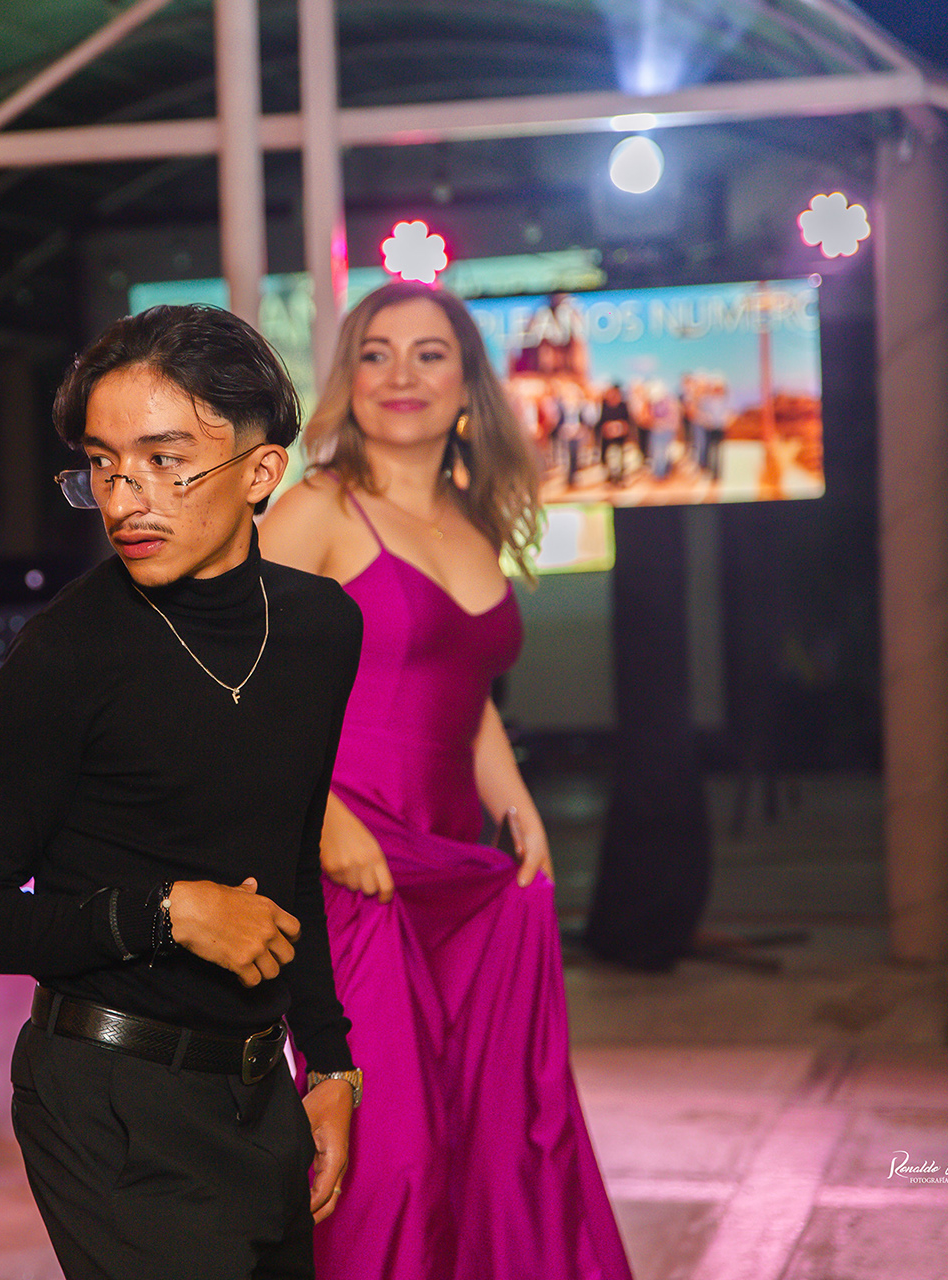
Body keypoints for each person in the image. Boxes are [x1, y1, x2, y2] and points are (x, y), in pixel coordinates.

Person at [0, 305, 364, 1280]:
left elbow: (290, 858)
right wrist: (168, 915)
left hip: (258, 1097)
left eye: (166, 462)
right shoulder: (64, 656)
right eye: (104, 465)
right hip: (107, 1106)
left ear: (262, 471)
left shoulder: (321, 629)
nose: (127, 499)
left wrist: (331, 1061)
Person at [260, 280, 632, 1280]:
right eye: (375, 353)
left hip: (454, 872)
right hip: (354, 867)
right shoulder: (318, 509)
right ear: (348, 379)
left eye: (429, 354)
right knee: (387, 1151)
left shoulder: (474, 522)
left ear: (467, 383)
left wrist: (518, 804)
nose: (401, 375)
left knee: (480, 1135)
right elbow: (229, 680)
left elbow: (462, 693)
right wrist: (321, 819)